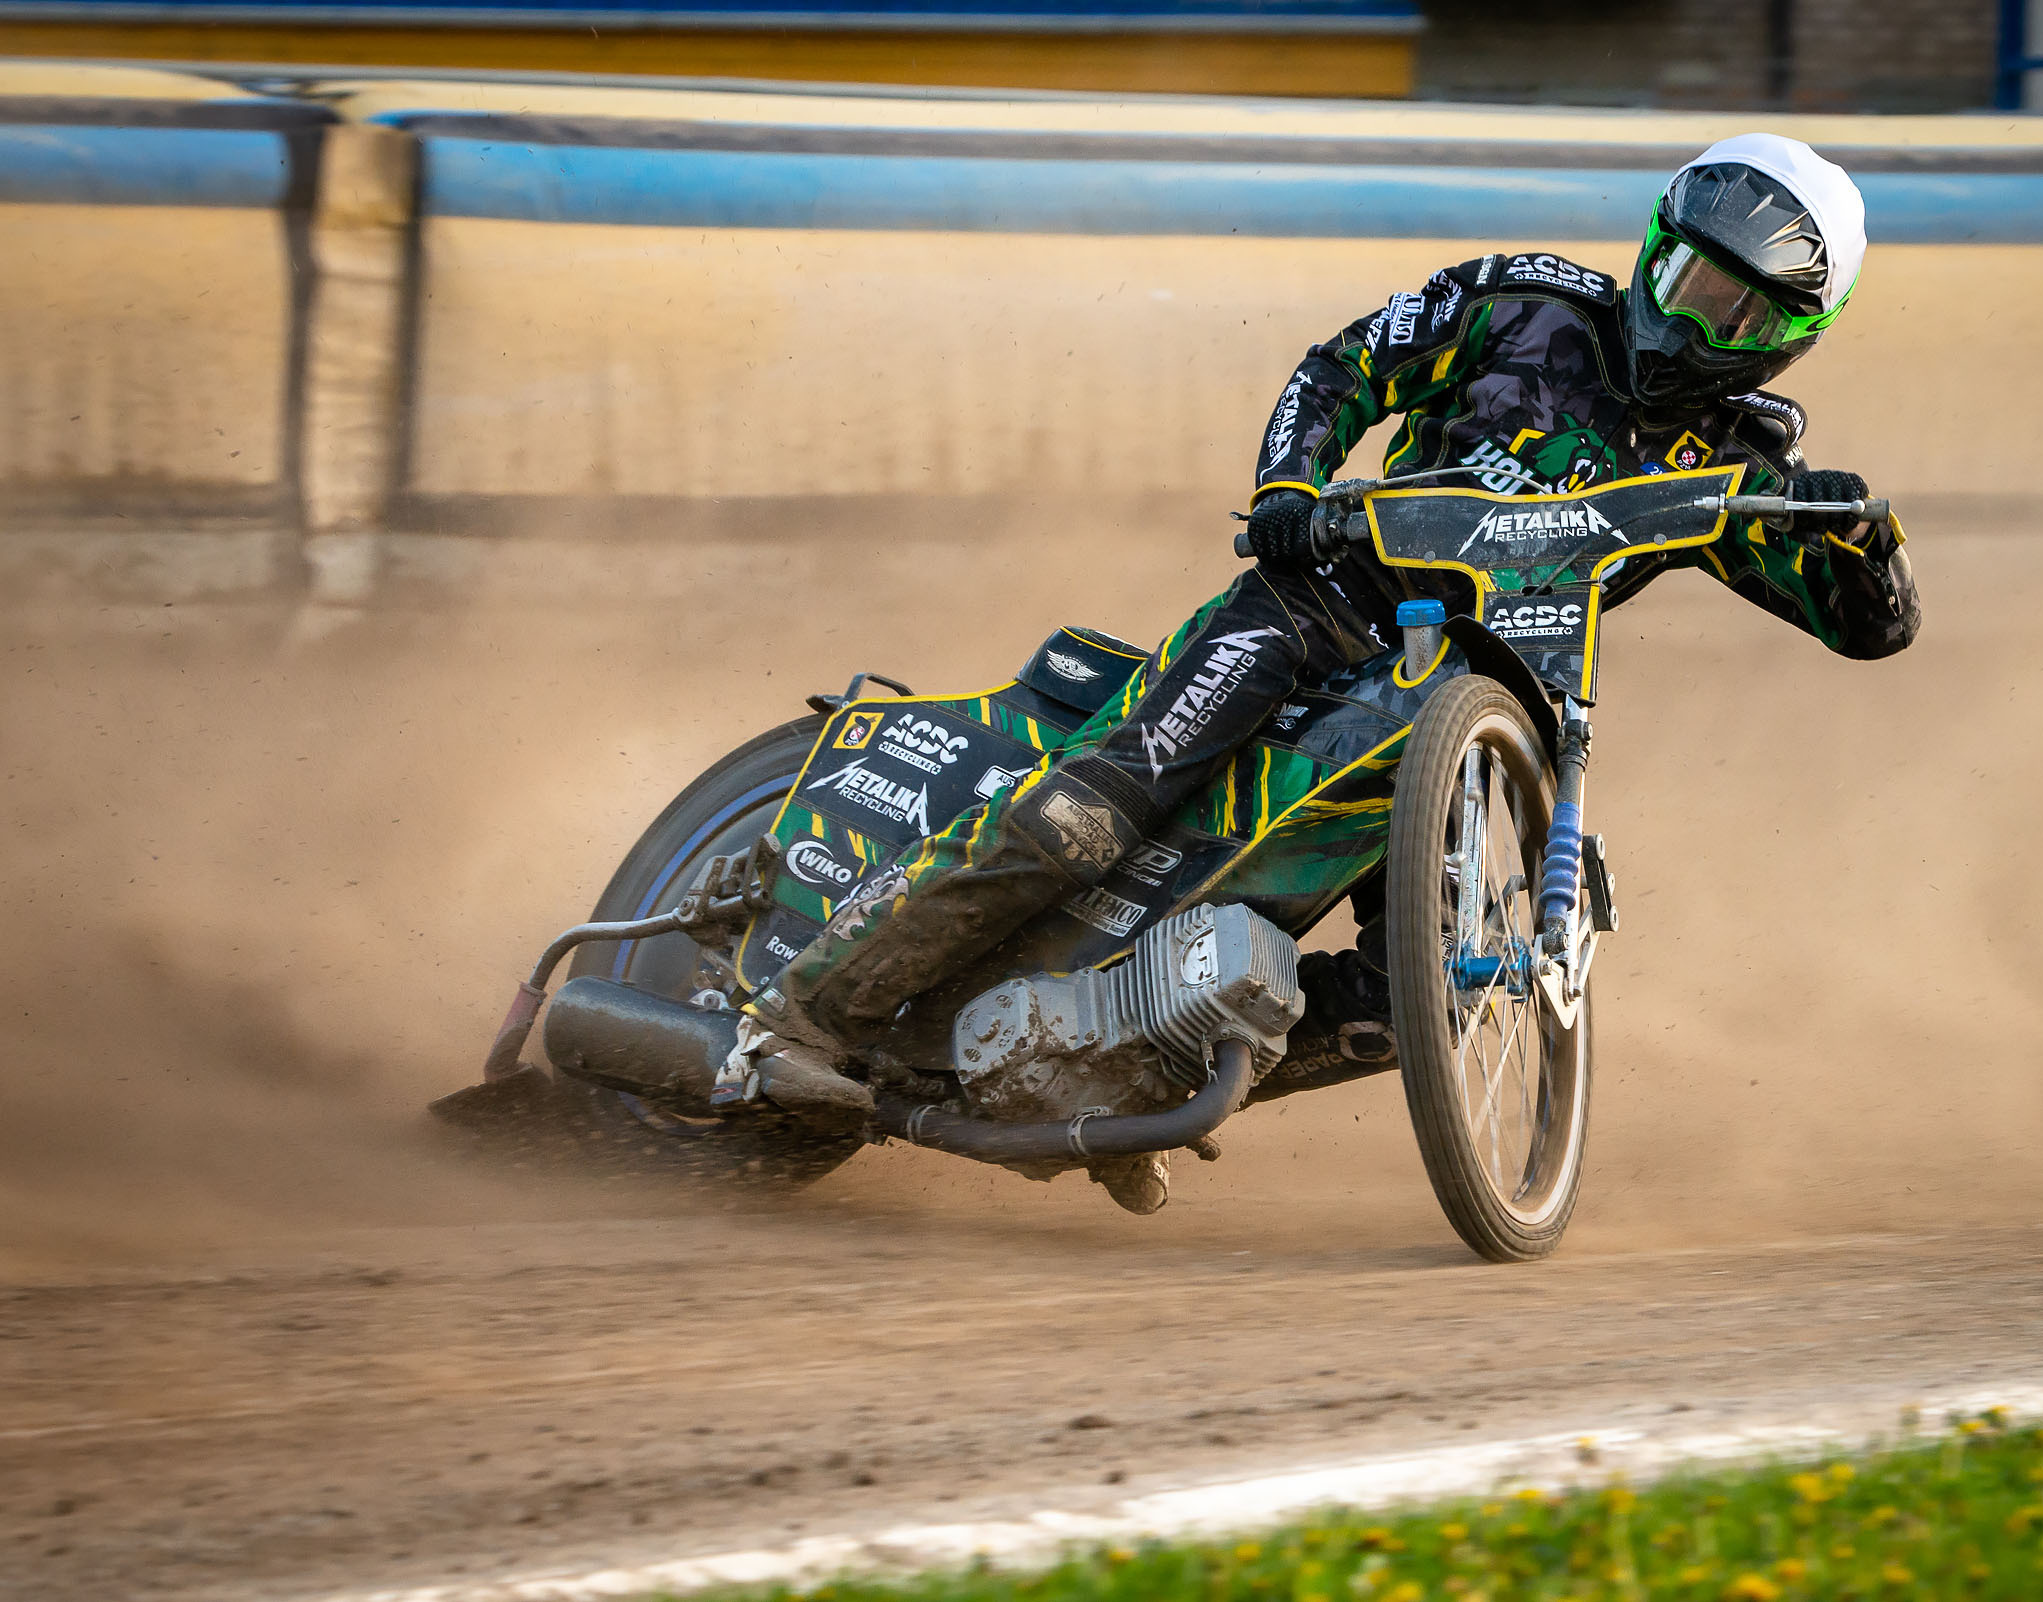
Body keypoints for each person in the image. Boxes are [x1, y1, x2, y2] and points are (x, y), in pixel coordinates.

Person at [744, 132, 1920, 1210]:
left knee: (1421, 1000)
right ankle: (800, 1013)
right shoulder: (1522, 302)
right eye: (1688, 279)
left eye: (1738, 311)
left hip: (1484, 710)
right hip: (1321, 603)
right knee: (1105, 802)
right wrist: (1291, 491)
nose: (1697, 318)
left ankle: (1135, 1070)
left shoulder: (1745, 466)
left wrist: (1866, 537)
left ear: (1790, 332)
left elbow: (1871, 629)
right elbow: (1340, 368)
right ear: (1656, 247)